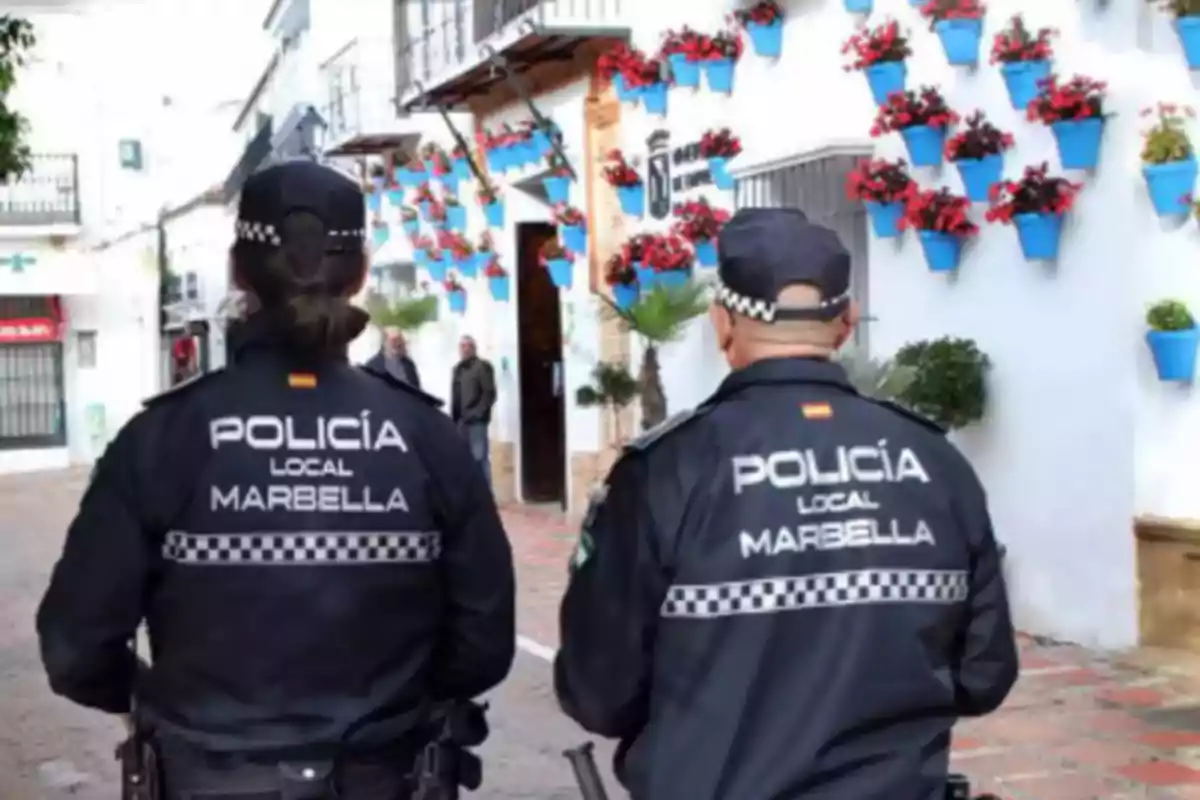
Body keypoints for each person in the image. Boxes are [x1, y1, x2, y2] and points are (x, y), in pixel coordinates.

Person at [36, 160, 517, 800]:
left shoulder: (159, 439)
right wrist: (396, 709)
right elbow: (484, 643)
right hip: (388, 776)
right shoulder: (428, 437)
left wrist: (171, 705)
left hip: (207, 778)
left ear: (239, 271)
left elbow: (75, 649)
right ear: (361, 273)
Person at [553, 208, 1018, 800]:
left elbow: (600, 691)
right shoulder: (934, 460)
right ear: (845, 323)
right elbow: (984, 676)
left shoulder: (665, 470)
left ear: (722, 323)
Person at [450, 335, 496, 482]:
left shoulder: (482, 367)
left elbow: (489, 393)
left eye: (467, 346)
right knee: (464, 461)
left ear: (474, 348)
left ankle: (486, 497)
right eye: (462, 346)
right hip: (460, 422)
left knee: (479, 459)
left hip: (477, 422)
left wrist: (477, 413)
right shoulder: (458, 369)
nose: (464, 350)